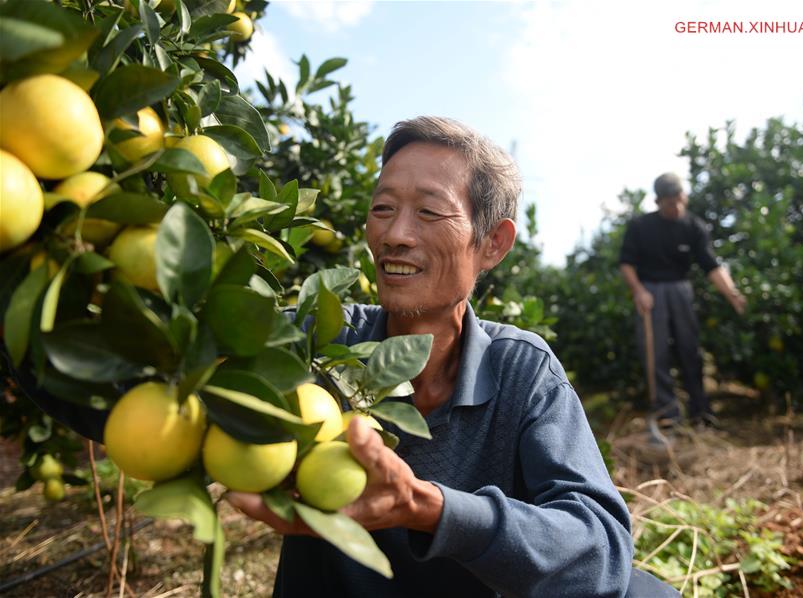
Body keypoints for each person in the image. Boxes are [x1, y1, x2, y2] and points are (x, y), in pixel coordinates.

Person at [10, 117, 678, 597]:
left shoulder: (521, 369)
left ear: (493, 242)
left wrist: (430, 508)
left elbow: (598, 550)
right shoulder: (309, 341)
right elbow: (137, 401)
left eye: (427, 212)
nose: (393, 234)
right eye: (382, 208)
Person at [619, 172, 746, 429]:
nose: (675, 206)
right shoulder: (641, 226)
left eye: (679, 199)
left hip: (681, 290)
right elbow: (626, 264)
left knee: (690, 350)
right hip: (651, 291)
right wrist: (639, 291)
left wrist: (732, 293)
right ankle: (668, 415)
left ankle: (701, 413)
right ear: (658, 202)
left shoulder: (693, 226)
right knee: (656, 354)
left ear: (684, 196)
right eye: (669, 202)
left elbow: (711, 265)